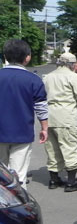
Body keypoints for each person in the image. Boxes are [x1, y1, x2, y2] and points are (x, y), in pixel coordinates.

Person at [0, 39, 48, 188]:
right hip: (22, 133)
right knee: (18, 174)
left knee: (1, 174)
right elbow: (41, 107)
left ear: (5, 57)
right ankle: (18, 206)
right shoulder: (33, 80)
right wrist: (44, 128)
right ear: (27, 57)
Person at [44, 51, 77, 192]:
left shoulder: (47, 77)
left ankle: (54, 179)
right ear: (71, 64)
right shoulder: (73, 77)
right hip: (66, 115)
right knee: (69, 148)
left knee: (52, 149)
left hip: (49, 115)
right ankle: (71, 182)